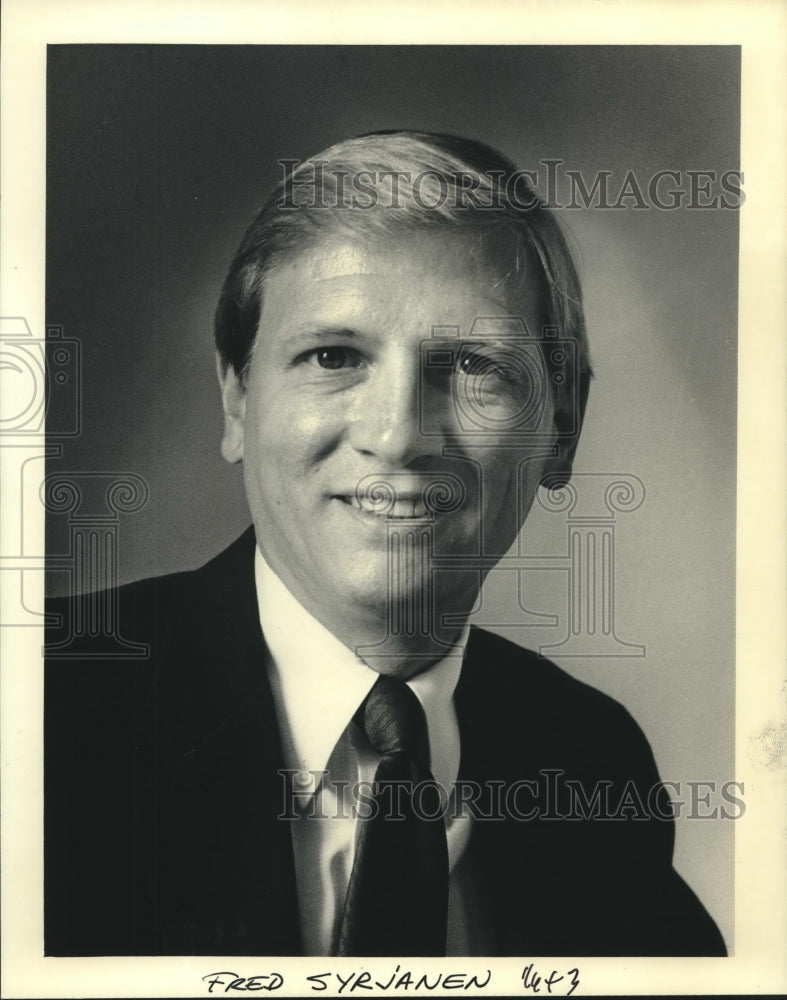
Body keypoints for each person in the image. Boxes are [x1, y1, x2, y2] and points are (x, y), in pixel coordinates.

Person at [44, 130, 726, 957]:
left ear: (562, 426)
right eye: (333, 356)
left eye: (473, 364)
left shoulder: (589, 758)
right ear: (236, 401)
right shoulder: (45, 708)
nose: (400, 435)